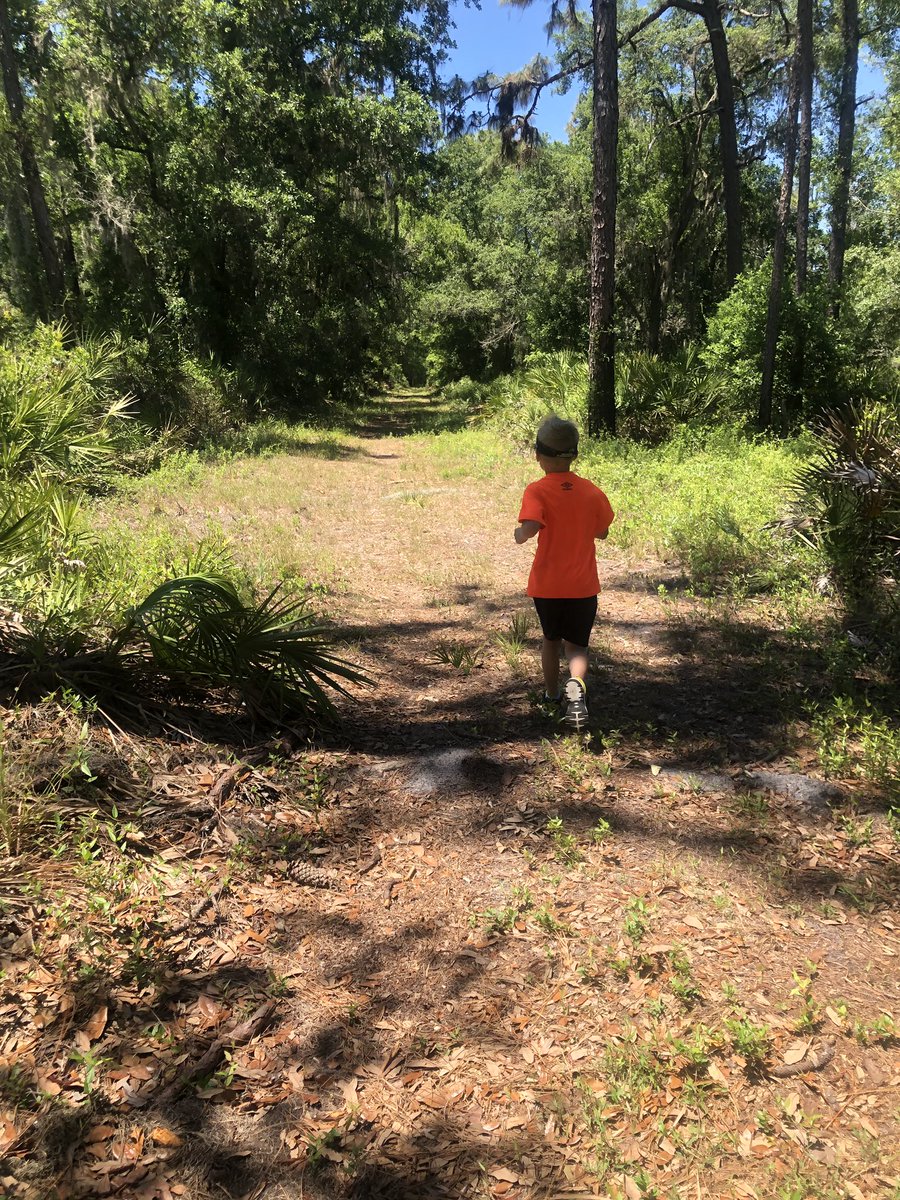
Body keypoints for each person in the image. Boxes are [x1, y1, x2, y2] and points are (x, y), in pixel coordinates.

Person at [514, 415, 615, 730]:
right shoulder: (591, 491)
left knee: (551, 640)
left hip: (548, 586)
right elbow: (603, 532)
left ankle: (551, 694)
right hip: (583, 586)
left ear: (538, 455)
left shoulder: (537, 490)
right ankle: (577, 687)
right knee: (577, 646)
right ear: (574, 454)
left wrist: (520, 534)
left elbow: (531, 526)